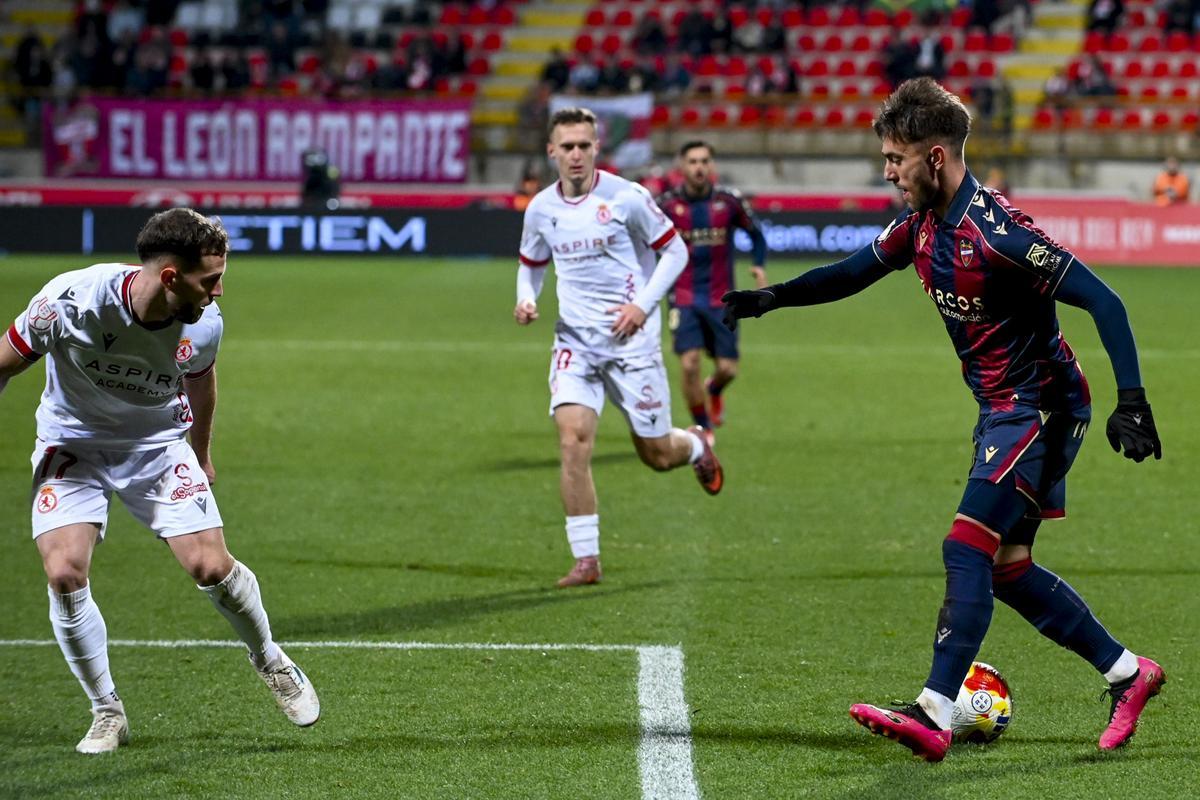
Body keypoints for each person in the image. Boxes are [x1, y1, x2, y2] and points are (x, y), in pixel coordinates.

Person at [723, 78, 1165, 762]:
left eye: (895, 159)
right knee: (1010, 569)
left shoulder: (1002, 236)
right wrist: (772, 298)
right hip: (1001, 411)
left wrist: (1131, 401)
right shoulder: (922, 226)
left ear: (935, 158)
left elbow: (1106, 301)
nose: (887, 171)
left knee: (967, 547)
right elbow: (851, 272)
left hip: (1039, 410)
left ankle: (933, 710)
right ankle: (1129, 674)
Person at [0, 208, 320, 754]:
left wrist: (201, 453)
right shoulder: (70, 302)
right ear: (170, 276)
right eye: (210, 280)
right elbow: (4, 363)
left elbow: (201, 384)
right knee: (64, 575)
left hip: (157, 448)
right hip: (71, 446)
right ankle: (107, 712)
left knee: (211, 567)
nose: (218, 293)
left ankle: (269, 657)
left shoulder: (203, 324)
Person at [514, 107, 723, 588]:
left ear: (596, 149)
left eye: (584, 146)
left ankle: (695, 445)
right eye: (566, 146)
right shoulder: (541, 209)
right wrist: (526, 298)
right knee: (572, 442)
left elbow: (676, 252)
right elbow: (531, 263)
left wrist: (642, 307)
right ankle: (586, 559)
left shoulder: (627, 198)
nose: (576, 155)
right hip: (575, 343)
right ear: (552, 152)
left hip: (632, 345)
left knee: (655, 454)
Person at [657, 141, 767, 433]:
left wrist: (758, 264)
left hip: (722, 297)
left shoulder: (728, 202)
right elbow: (642, 242)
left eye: (705, 161)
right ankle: (703, 428)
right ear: (681, 167)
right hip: (683, 296)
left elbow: (756, 235)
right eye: (692, 161)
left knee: (728, 369)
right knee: (689, 363)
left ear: (712, 166)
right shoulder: (665, 206)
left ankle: (714, 389)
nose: (699, 167)